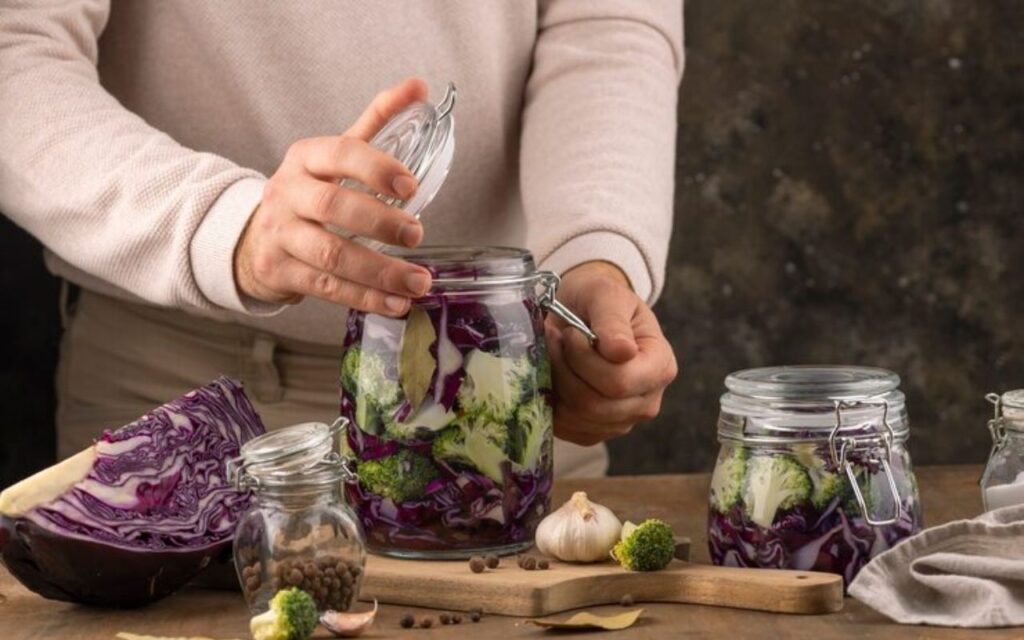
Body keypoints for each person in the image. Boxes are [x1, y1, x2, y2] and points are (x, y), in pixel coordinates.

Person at [0, 1, 682, 478]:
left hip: (502, 387)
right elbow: (15, 47)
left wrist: (596, 260)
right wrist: (224, 227)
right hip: (181, 383)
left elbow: (606, 28)